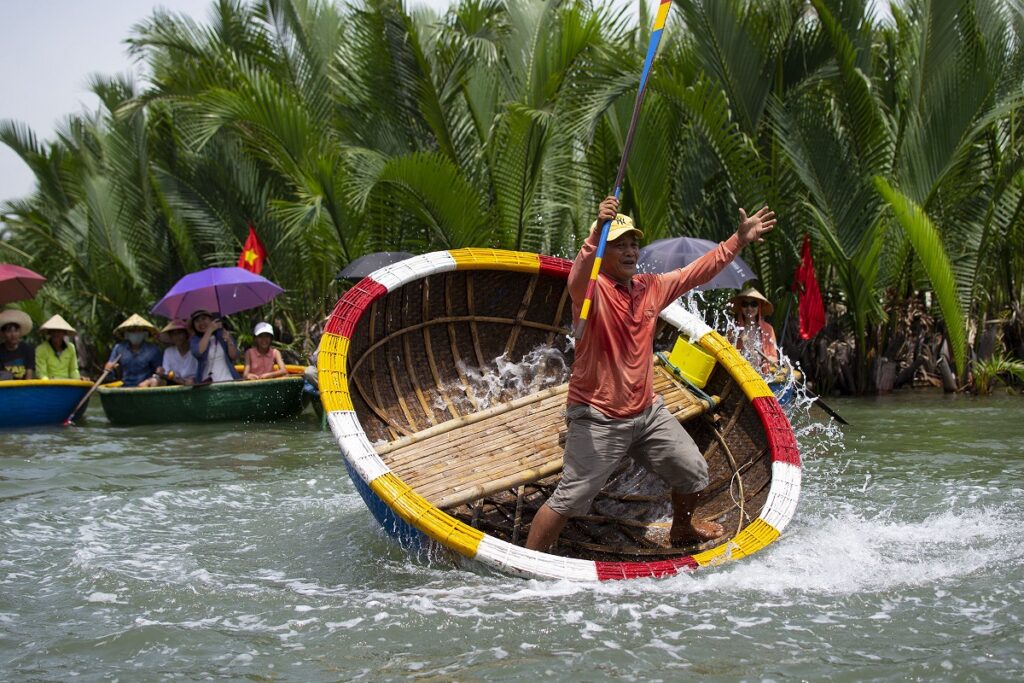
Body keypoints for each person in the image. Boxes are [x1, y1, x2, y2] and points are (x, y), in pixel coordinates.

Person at [524, 196, 777, 551]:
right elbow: (581, 270)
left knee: (694, 474)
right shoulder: (591, 290)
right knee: (569, 499)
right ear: (603, 252)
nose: (630, 252)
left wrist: (739, 239)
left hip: (646, 413)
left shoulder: (650, 287)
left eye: (633, 245)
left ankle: (682, 529)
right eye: (619, 246)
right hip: (598, 417)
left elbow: (698, 271)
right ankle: (530, 564)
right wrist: (598, 229)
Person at [730, 286, 779, 374]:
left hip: (760, 374)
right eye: (745, 304)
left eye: (753, 304)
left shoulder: (768, 329)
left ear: (759, 307)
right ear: (741, 307)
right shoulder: (734, 329)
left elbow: (773, 356)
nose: (749, 308)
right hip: (739, 373)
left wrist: (767, 362)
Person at [105, 314, 162, 387]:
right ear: (126, 334)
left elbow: (159, 373)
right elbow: (110, 368)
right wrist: (108, 368)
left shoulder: (153, 350)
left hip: (145, 388)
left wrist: (154, 378)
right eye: (132, 331)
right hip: (124, 387)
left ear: (145, 333)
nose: (135, 333)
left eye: (139, 330)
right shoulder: (119, 348)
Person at [189, 309, 240, 383]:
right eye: (197, 321)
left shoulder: (221, 333)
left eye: (204, 318)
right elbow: (198, 352)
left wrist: (229, 340)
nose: (201, 323)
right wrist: (209, 330)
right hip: (206, 384)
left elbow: (234, 356)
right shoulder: (195, 340)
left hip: (228, 380)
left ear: (211, 319)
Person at [35, 314, 81, 380]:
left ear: (64, 333)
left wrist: (78, 381)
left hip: (68, 385)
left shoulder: (71, 348)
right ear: (49, 333)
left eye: (59, 331)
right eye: (53, 331)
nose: (56, 334)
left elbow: (73, 370)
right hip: (49, 385)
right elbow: (42, 374)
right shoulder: (41, 349)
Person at [157, 320, 196, 385]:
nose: (177, 336)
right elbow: (168, 373)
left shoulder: (195, 349)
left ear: (186, 334)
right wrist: (161, 373)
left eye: (179, 333)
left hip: (195, 383)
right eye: (173, 334)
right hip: (174, 382)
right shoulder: (168, 352)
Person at [0, 309, 35, 380]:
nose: (13, 335)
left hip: (24, 388)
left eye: (16, 331)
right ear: (3, 334)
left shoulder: (28, 349)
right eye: (9, 331)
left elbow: (29, 375)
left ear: (20, 332)